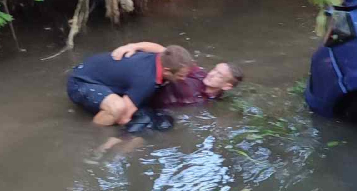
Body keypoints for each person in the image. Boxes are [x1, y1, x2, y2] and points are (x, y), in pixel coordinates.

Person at [67, 44, 193, 132]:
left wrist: (133, 46)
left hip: (90, 68)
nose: (184, 78)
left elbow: (156, 46)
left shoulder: (164, 56)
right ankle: (92, 133)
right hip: (81, 83)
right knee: (118, 109)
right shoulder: (146, 80)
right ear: (167, 71)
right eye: (181, 76)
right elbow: (124, 118)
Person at [110, 41, 243, 106]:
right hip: (139, 91)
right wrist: (133, 46)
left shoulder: (212, 102)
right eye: (215, 69)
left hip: (151, 105)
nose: (212, 74)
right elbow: (165, 52)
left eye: (219, 75)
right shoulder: (197, 73)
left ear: (227, 86)